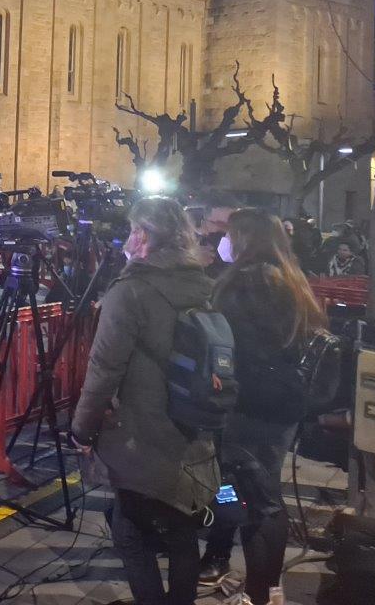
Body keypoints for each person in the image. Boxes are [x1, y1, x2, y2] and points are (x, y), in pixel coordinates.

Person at [69, 197, 219, 605]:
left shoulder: (131, 292)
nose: (128, 239)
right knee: (182, 533)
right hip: (190, 428)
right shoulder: (200, 285)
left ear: (145, 236)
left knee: (129, 534)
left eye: (134, 230)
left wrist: (81, 430)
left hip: (142, 435)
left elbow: (103, 370)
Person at [199, 209, 325, 604]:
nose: (224, 241)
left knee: (260, 501)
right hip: (281, 407)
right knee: (238, 488)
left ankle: (261, 589)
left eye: (230, 234)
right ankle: (226, 558)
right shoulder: (291, 278)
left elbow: (223, 345)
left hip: (247, 408)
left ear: (244, 240)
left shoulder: (244, 284)